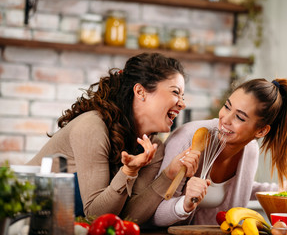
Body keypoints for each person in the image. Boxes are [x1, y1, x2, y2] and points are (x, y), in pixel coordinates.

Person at [26, 53, 201, 224]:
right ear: (140, 92)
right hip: (21, 218)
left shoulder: (153, 146)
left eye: (183, 96)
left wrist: (168, 175)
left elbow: (126, 219)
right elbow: (95, 216)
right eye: (175, 92)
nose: (182, 103)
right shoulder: (92, 126)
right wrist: (128, 172)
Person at [152, 78, 287, 226]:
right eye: (227, 106)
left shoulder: (250, 150)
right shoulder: (187, 139)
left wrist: (279, 189)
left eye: (239, 117)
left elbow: (240, 187)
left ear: (261, 131)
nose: (225, 119)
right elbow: (155, 215)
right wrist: (184, 204)